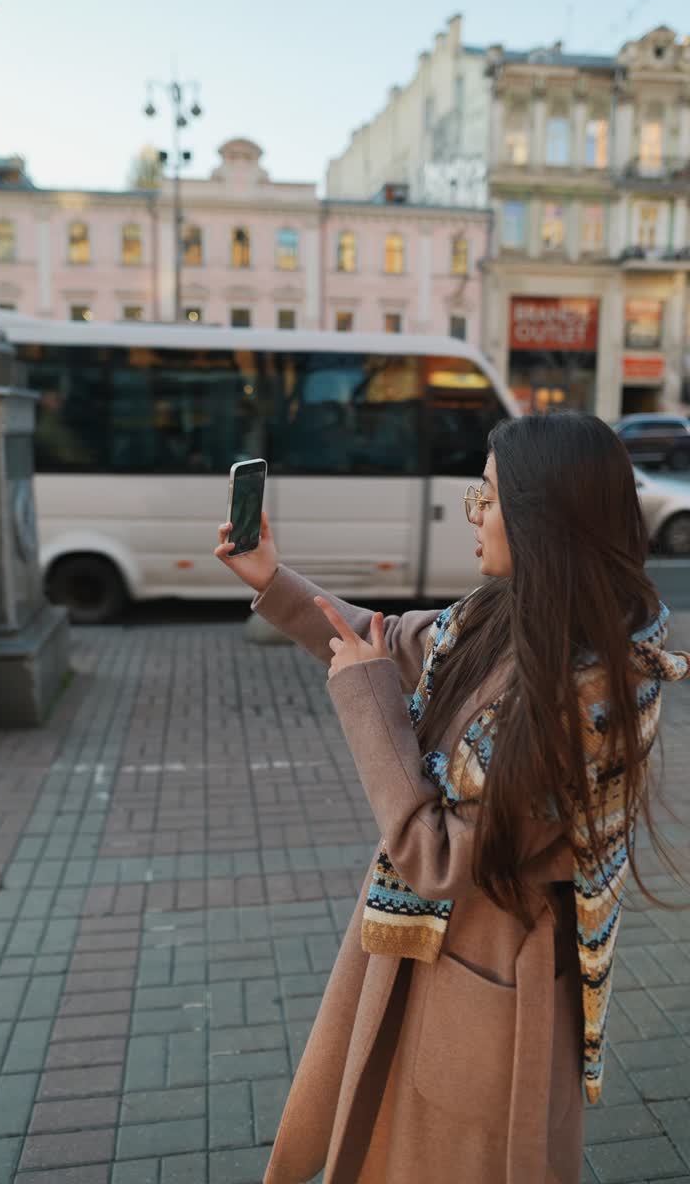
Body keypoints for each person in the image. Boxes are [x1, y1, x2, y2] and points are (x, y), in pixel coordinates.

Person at [214, 411, 689, 1184]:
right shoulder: (504, 613)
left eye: (490, 497)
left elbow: (438, 855)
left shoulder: (589, 691)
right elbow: (386, 640)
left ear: (543, 516)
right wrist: (273, 579)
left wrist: (366, 703)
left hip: (495, 981)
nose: (474, 511)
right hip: (435, 953)